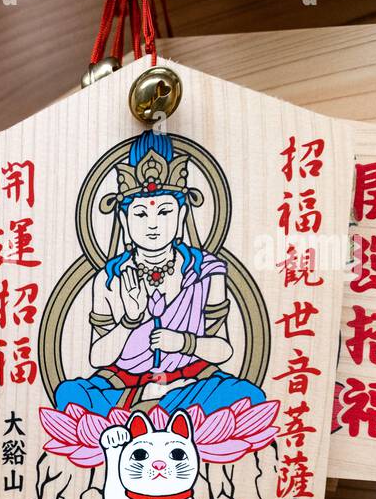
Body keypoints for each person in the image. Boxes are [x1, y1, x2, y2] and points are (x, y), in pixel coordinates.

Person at [55, 131, 264, 416]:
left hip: (189, 377)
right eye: (141, 214)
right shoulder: (108, 279)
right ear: (123, 220)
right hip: (125, 384)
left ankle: (154, 410)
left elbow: (223, 349)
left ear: (181, 217)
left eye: (164, 212)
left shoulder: (207, 271)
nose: (153, 224)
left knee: (246, 395)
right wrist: (129, 320)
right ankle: (158, 406)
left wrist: (183, 343)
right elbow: (97, 358)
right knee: (71, 395)